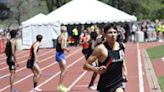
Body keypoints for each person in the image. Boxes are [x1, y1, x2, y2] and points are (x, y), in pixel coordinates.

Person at [83, 24, 128, 92]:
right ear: (104, 35)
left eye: (115, 32)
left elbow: (122, 59)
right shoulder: (100, 49)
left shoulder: (122, 46)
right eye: (110, 32)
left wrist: (125, 72)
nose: (113, 35)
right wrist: (96, 69)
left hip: (118, 83)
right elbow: (85, 65)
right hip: (104, 86)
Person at [56, 26, 70, 92]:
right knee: (65, 70)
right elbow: (62, 47)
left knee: (63, 70)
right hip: (60, 55)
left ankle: (61, 85)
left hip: (59, 54)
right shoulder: (63, 37)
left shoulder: (59, 36)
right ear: (65, 31)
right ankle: (60, 86)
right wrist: (67, 49)